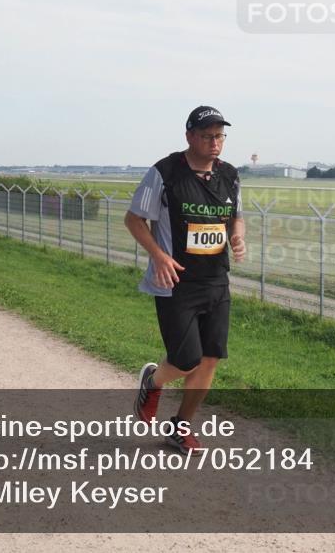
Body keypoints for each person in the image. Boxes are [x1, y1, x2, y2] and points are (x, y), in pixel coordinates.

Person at [125, 106, 246, 454]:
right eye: (207, 136)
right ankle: (153, 380)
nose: (214, 143)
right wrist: (159, 255)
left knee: (210, 358)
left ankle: (180, 428)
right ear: (190, 136)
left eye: (219, 136)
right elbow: (134, 220)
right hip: (175, 281)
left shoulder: (230, 176)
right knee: (186, 359)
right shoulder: (164, 173)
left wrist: (238, 236)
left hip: (216, 281)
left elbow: (236, 217)